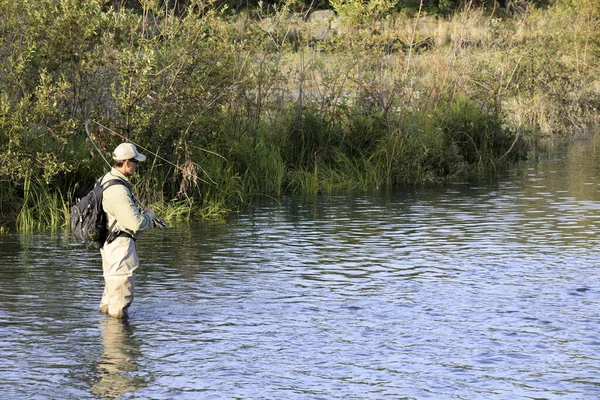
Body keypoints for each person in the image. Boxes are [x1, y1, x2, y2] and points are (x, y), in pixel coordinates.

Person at [99, 142, 155, 319]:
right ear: (127, 163)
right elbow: (136, 223)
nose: (137, 166)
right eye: (135, 162)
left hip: (110, 245)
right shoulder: (118, 191)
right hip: (120, 249)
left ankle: (109, 337)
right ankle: (118, 342)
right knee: (121, 298)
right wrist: (150, 217)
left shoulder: (106, 179)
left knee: (111, 297)